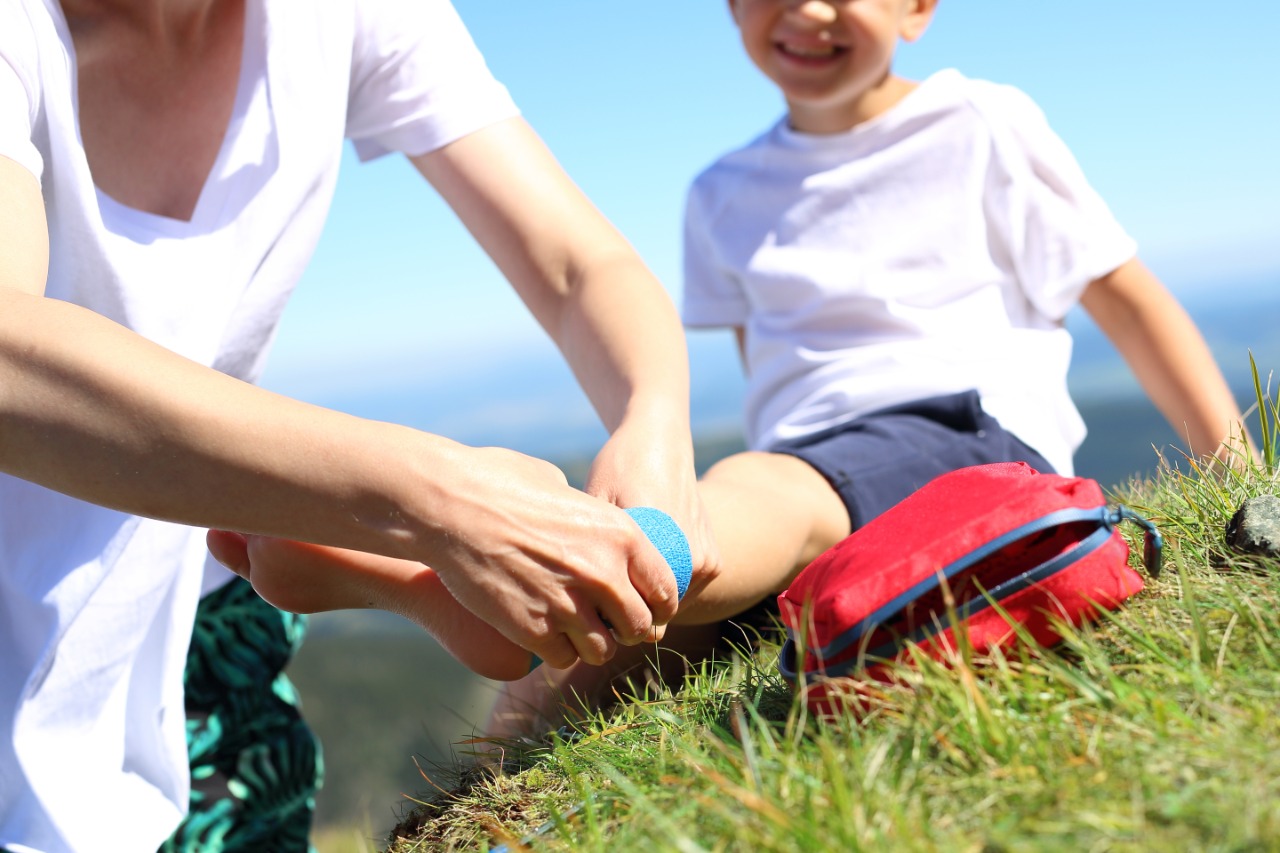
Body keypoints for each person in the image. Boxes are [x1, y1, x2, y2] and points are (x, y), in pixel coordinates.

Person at [227, 0, 1251, 742]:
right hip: (809, 457)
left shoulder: (980, 124)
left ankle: (492, 548)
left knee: (722, 523)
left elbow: (1126, 298)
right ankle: (481, 652)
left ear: (916, 8)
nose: (802, 11)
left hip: (965, 434)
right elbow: (776, 376)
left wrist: (1231, 463)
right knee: (604, 664)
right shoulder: (719, 193)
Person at [0, 0, 719, 849]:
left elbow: (575, 265)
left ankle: (298, 537)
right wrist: (435, 502)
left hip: (199, 621)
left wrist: (656, 425)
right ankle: (312, 537)